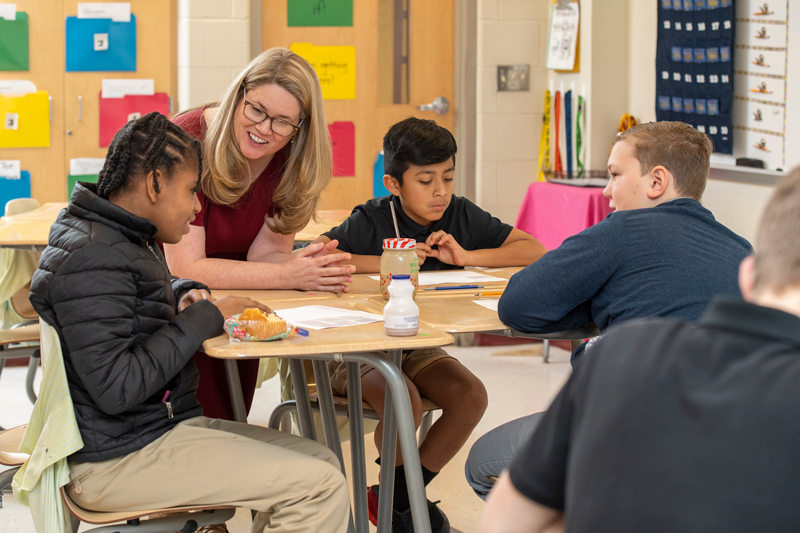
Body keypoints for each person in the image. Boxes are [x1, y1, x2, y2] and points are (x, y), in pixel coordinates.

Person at [28, 113, 350, 533]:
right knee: (319, 486)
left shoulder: (113, 235)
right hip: (114, 460)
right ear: (155, 183)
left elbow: (127, 296)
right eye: (192, 190)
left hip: (142, 433)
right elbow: (116, 386)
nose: (198, 206)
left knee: (321, 461)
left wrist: (182, 290)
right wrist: (207, 315)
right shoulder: (94, 257)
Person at [480, 170, 800, 533]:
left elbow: (507, 522)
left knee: (492, 466)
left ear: (749, 277)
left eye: (615, 173)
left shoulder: (621, 350)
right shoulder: (732, 241)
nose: (606, 188)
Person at [466, 121, 752, 500]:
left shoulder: (620, 230)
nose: (606, 190)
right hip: (731, 440)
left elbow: (518, 306)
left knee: (483, 464)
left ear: (656, 182)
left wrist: (594, 305)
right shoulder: (742, 250)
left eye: (615, 175)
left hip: (630, 431)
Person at [315, 117, 546, 533]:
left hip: (417, 346)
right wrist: (396, 258)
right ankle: (403, 507)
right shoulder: (370, 219)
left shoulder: (458, 214)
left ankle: (395, 497)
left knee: (470, 395)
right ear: (394, 183)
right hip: (358, 348)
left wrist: (467, 257)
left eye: (448, 177)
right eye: (425, 180)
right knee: (405, 398)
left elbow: (531, 249)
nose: (440, 191)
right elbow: (317, 255)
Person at [166, 47, 356, 420]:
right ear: (239, 95)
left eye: (283, 122)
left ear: (301, 128)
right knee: (196, 424)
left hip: (244, 293)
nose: (264, 129)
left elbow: (266, 254)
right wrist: (285, 274)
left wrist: (306, 268)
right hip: (175, 301)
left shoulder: (291, 160)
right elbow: (185, 265)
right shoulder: (186, 139)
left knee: (232, 416)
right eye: (256, 110)